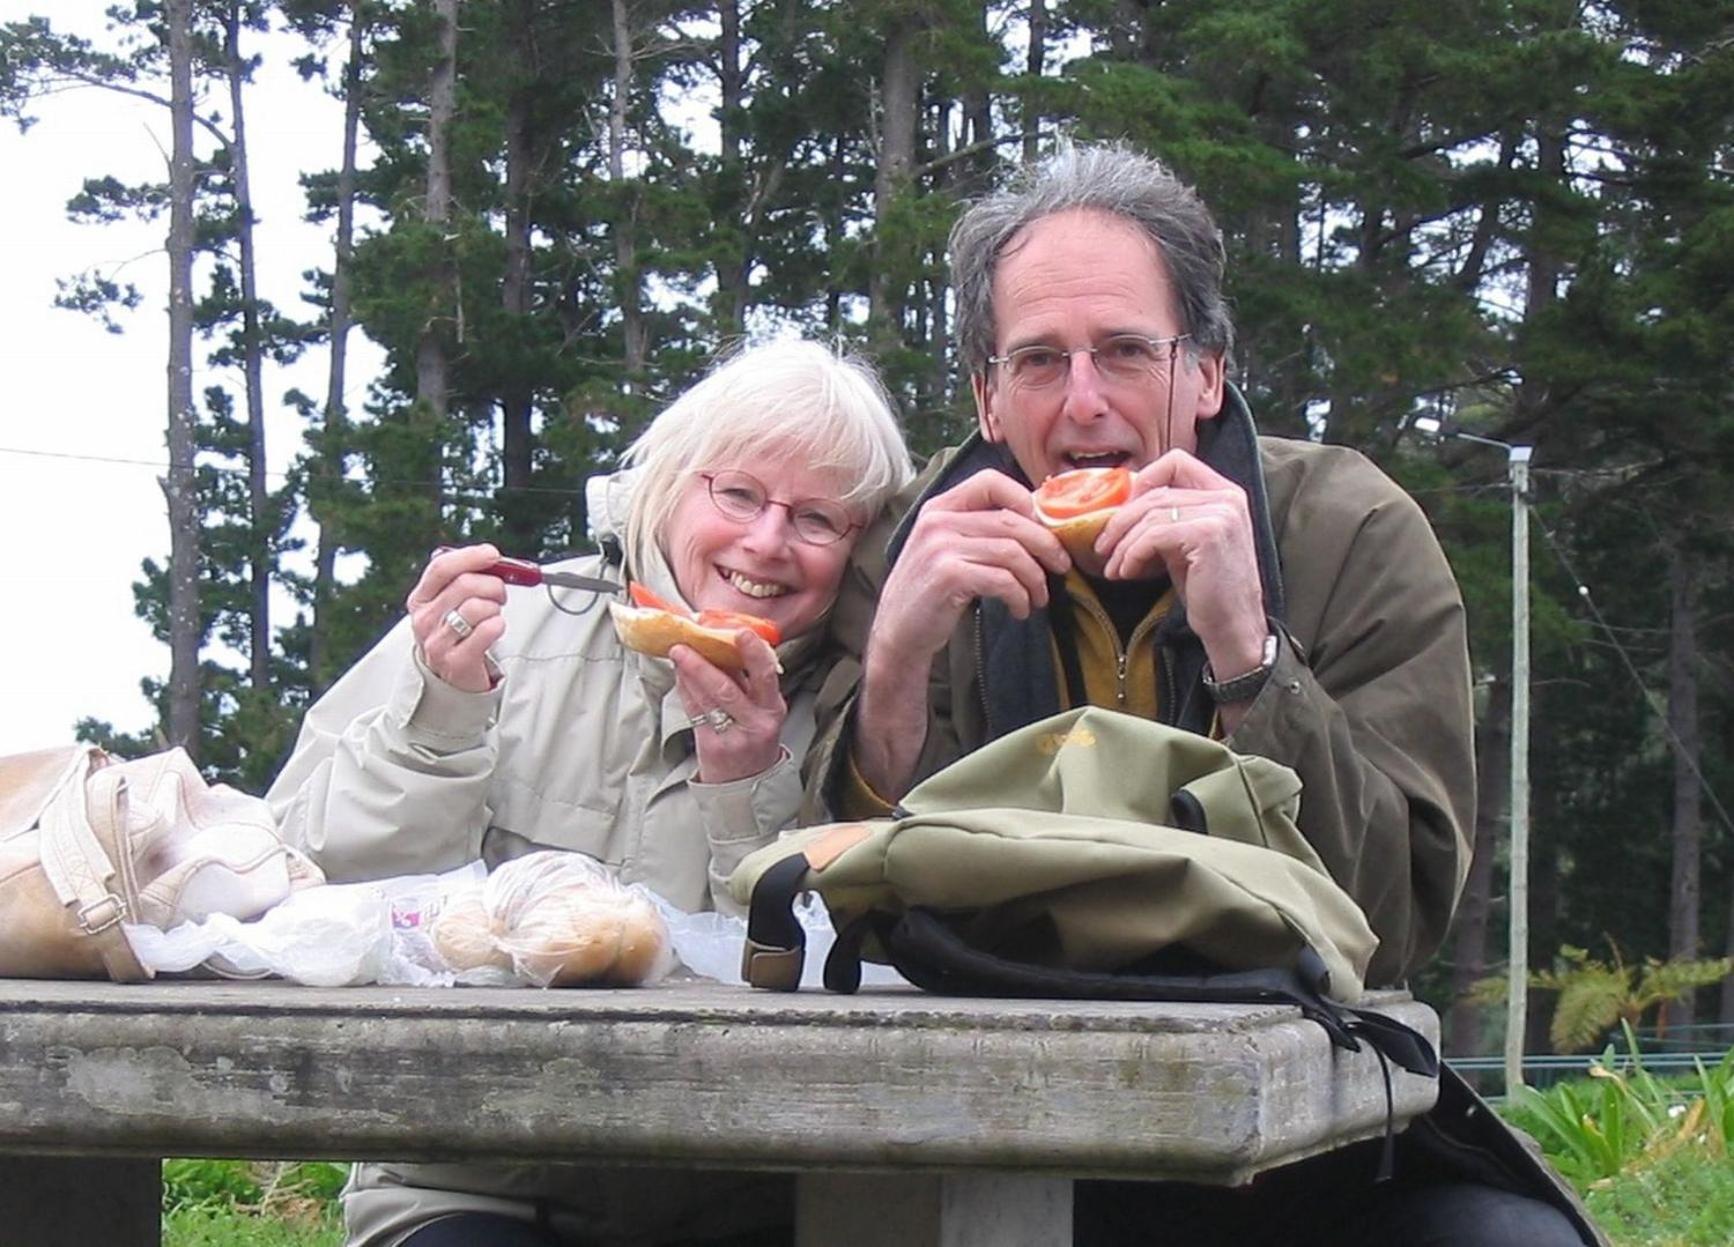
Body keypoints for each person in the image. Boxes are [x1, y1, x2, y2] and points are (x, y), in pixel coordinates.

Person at [801, 144, 1600, 1246]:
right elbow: (838, 897)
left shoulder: (1349, 530)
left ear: (1208, 372)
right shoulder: (917, 549)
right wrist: (893, 663)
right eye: (1038, 361)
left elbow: (1397, 916)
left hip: (1301, 1121)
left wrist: (1248, 649)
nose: (1084, 404)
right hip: (987, 1111)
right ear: (989, 396)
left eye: (1126, 351)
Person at [267, 337, 912, 1247]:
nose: (766, 541)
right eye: (737, 494)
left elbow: (866, 987)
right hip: (470, 1181)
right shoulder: (501, 631)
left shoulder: (869, 705)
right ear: (671, 484)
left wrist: (747, 791)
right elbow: (310, 888)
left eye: (817, 519)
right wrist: (439, 723)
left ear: (859, 547)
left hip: (752, 1199)